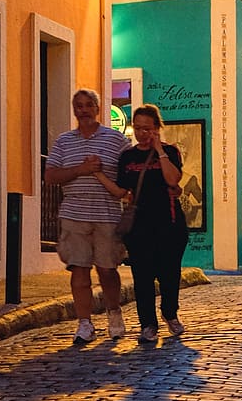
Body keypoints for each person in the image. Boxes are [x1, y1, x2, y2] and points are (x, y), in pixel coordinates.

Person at [96, 105, 188, 345]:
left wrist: (159, 150)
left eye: (147, 128)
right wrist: (98, 175)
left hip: (169, 224)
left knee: (169, 276)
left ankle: (170, 313)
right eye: (137, 128)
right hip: (139, 228)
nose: (141, 133)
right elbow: (120, 190)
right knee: (142, 278)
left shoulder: (170, 151)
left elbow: (173, 179)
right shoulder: (127, 157)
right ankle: (148, 324)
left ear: (157, 128)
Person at [44, 88, 130, 347]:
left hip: (107, 215)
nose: (83, 110)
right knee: (78, 269)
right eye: (78, 106)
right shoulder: (63, 141)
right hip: (74, 215)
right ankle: (84, 323)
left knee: (107, 269)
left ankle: (114, 315)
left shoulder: (116, 140)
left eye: (88, 105)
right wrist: (81, 170)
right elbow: (50, 176)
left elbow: (128, 174)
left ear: (97, 108)